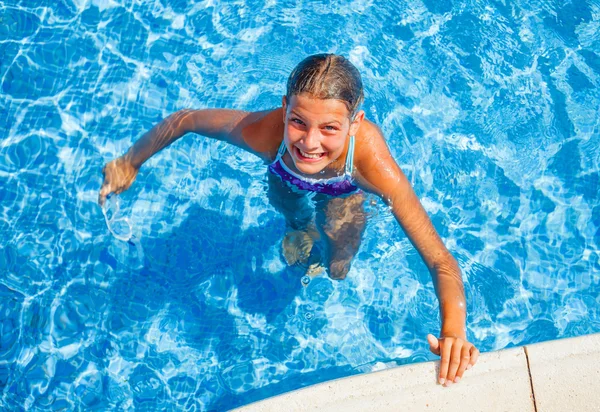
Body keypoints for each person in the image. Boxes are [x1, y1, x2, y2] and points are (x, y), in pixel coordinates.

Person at [98, 54, 479, 386]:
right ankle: (301, 227)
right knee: (292, 216)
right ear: (284, 109)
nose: (309, 142)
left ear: (355, 122)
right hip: (284, 176)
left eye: (330, 127)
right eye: (298, 121)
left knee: (337, 265)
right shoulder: (266, 133)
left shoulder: (371, 165)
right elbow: (186, 119)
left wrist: (453, 331)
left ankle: (321, 239)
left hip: (343, 190)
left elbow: (440, 261)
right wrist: (128, 163)